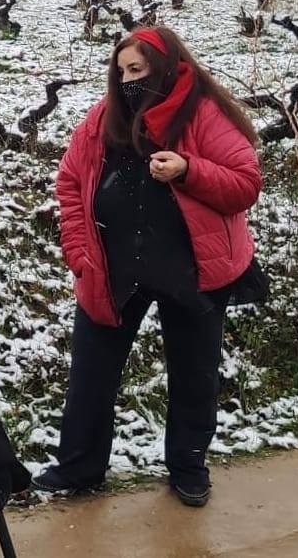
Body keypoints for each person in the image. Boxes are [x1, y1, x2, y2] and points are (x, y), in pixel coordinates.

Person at [33, 26, 263, 507]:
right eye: (121, 72)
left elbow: (245, 184)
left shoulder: (203, 113)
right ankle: (80, 468)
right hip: (114, 268)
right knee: (92, 373)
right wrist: (78, 252)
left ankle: (188, 466)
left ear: (165, 67)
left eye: (137, 70)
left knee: (194, 374)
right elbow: (71, 182)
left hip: (191, 268)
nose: (127, 80)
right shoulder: (104, 117)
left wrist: (188, 169)